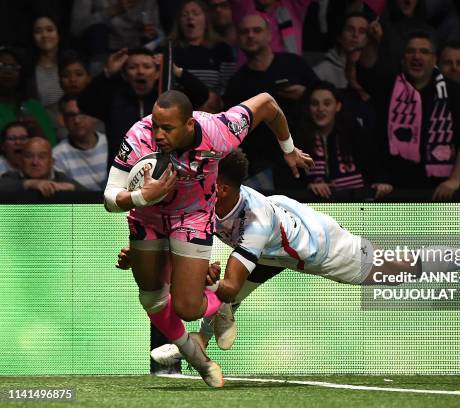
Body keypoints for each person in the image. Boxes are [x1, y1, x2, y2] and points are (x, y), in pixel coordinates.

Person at [113, 149, 460, 362]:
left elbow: (231, 279)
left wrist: (206, 279)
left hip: (320, 248)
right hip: (279, 241)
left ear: (221, 188)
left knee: (400, 269)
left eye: (207, 179)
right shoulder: (212, 202)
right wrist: (141, 255)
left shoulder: (254, 223)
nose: (199, 181)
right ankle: (197, 345)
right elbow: (175, 238)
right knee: (229, 294)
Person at [103, 89, 313, 387]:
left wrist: (288, 148)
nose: (158, 134)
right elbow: (109, 197)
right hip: (147, 216)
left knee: (187, 308)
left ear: (189, 124)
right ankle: (200, 362)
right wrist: (140, 196)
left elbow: (267, 103)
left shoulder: (219, 131)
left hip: (192, 216)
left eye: (168, 128)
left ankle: (222, 303)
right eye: (156, 125)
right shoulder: (138, 137)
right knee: (151, 298)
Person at [360, 31, 460, 200]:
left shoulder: (453, 92)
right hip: (393, 191)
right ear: (403, 59)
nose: (416, 56)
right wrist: (372, 42)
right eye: (411, 51)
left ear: (434, 60)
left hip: (440, 192)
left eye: (424, 52)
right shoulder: (388, 87)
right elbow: (365, 71)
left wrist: (455, 180)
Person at [224, 14, 318, 189]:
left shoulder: (293, 63)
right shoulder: (236, 83)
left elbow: (324, 96)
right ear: (238, 39)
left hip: (304, 156)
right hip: (260, 167)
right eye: (245, 32)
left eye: (257, 30)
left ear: (269, 35)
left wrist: (306, 94)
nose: (250, 35)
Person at [78, 47, 209, 161]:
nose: (140, 71)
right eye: (132, 67)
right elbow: (84, 103)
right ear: (124, 75)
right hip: (122, 178)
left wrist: (173, 69)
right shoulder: (113, 100)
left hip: (161, 177)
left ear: (157, 73)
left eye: (147, 67)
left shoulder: (168, 100)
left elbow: (201, 94)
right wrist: (107, 73)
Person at [298, 81, 392, 200]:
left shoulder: (354, 133)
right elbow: (292, 178)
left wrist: (382, 182)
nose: (320, 109)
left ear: (337, 106)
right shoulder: (299, 138)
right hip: (315, 206)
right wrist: (309, 186)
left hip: (355, 204)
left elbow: (374, 163)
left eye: (327, 104)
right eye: (315, 104)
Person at [169, 0, 236, 113]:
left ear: (206, 19)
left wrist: (218, 100)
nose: (190, 17)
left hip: (213, 113)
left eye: (195, 13)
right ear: (179, 22)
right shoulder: (171, 50)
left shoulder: (222, 49)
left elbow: (228, 86)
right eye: (185, 15)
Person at [53, 96, 109, 190]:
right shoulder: (57, 155)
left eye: (82, 113)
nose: (77, 120)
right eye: (71, 115)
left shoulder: (112, 143)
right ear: (63, 120)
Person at [0, 136, 85, 196]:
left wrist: (72, 187)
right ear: (21, 161)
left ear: (52, 162)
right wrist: (31, 183)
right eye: (29, 156)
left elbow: (92, 197)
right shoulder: (11, 177)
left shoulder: (60, 177)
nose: (35, 162)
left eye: (42, 157)